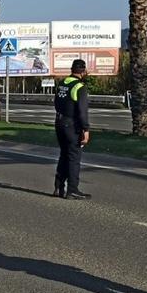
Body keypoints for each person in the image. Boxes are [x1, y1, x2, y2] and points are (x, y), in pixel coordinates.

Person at [53, 59, 91, 199]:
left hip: (59, 122)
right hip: (71, 125)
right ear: (83, 71)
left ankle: (58, 187)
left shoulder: (63, 83)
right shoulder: (79, 87)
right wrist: (85, 129)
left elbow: (56, 103)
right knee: (74, 157)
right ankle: (72, 189)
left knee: (64, 154)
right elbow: (82, 111)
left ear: (71, 69)